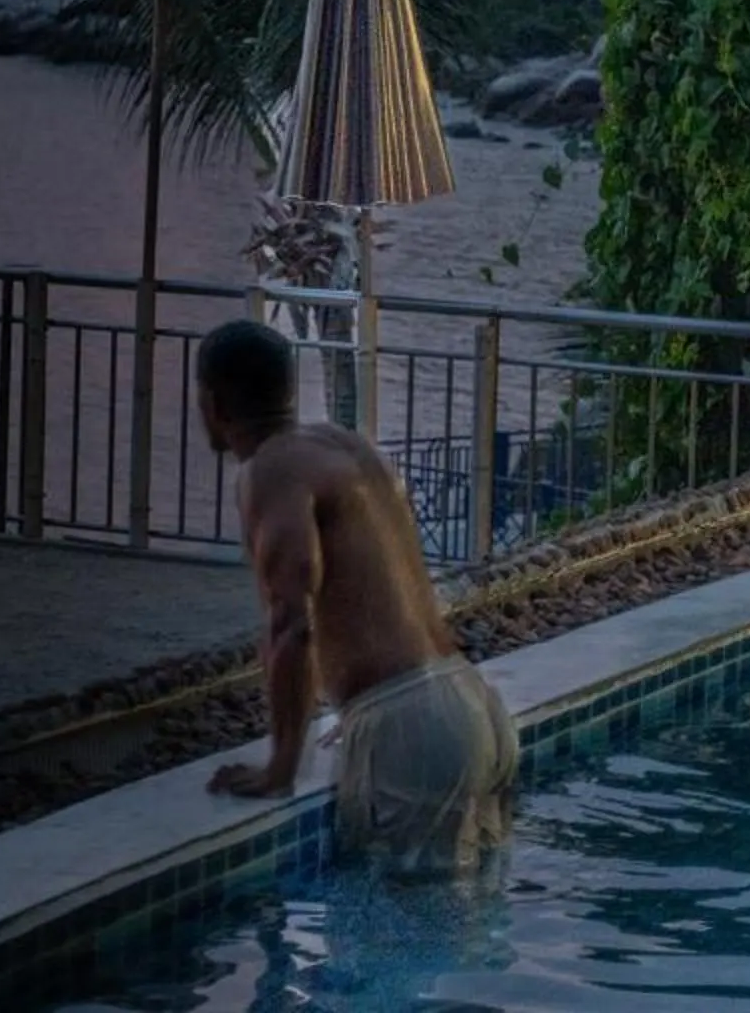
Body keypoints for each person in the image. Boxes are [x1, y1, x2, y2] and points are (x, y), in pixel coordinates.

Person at [197, 317, 516, 876]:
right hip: (469, 704)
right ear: (288, 392)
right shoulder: (346, 446)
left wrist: (280, 766)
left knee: (403, 949)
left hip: (412, 733)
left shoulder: (269, 470)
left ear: (213, 403)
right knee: (464, 936)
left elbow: (292, 622)